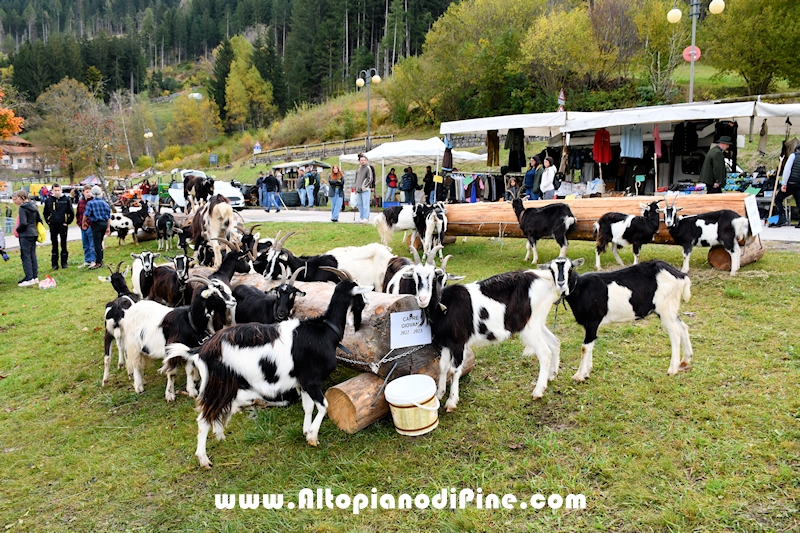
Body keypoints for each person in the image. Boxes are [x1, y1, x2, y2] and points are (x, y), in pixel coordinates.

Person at [12, 190, 40, 286]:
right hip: (33, 233)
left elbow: (23, 222)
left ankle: (29, 278)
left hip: (25, 234)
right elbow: (39, 220)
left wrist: (18, 230)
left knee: (25, 256)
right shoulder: (34, 206)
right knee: (32, 255)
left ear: (21, 198)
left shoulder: (23, 208)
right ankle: (35, 276)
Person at [43, 183, 74, 270]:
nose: (57, 192)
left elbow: (71, 212)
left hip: (62, 224)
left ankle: (64, 262)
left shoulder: (66, 200)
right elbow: (45, 213)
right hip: (53, 224)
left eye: (58, 190)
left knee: (63, 244)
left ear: (61, 190)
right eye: (55, 190)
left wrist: (67, 222)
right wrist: (48, 221)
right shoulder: (49, 200)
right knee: (54, 244)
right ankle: (54, 264)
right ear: (52, 191)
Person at [84, 185, 111, 270]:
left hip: (96, 224)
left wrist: (83, 222)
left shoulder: (90, 203)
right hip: (104, 224)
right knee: (100, 242)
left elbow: (86, 214)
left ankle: (98, 262)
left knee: (97, 244)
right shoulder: (105, 203)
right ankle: (100, 259)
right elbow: (108, 216)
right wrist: (108, 227)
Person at [775, 144, 800, 227]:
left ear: (796, 150)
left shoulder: (793, 156)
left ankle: (782, 217)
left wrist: (784, 184)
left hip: (791, 183)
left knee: (778, 199)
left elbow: (787, 170)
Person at [76, 185, 96, 268]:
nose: (89, 194)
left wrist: (88, 224)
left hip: (90, 225)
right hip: (82, 226)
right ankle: (87, 260)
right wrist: (80, 224)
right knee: (85, 244)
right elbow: (78, 214)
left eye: (90, 192)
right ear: (83, 192)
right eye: (87, 192)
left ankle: (93, 260)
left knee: (92, 244)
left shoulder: (93, 202)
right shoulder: (80, 202)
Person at [354, 153, 375, 223]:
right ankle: (362, 217)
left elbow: (370, 178)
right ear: (359, 161)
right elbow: (356, 179)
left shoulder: (368, 168)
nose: (362, 161)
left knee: (365, 204)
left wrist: (364, 186)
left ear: (366, 161)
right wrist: (356, 188)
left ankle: (366, 217)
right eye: (361, 160)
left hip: (365, 189)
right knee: (360, 204)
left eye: (364, 160)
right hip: (358, 189)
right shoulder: (359, 169)